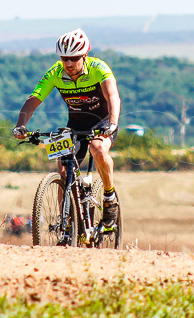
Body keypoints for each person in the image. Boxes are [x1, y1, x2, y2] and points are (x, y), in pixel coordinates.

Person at [13, 28, 121, 225]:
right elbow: (34, 99)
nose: (69, 63)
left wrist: (112, 123)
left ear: (84, 55)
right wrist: (21, 125)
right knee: (63, 168)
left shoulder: (99, 68)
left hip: (103, 122)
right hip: (76, 124)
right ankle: (67, 222)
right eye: (65, 58)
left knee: (97, 148)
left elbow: (112, 96)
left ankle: (109, 196)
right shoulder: (55, 73)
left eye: (74, 58)